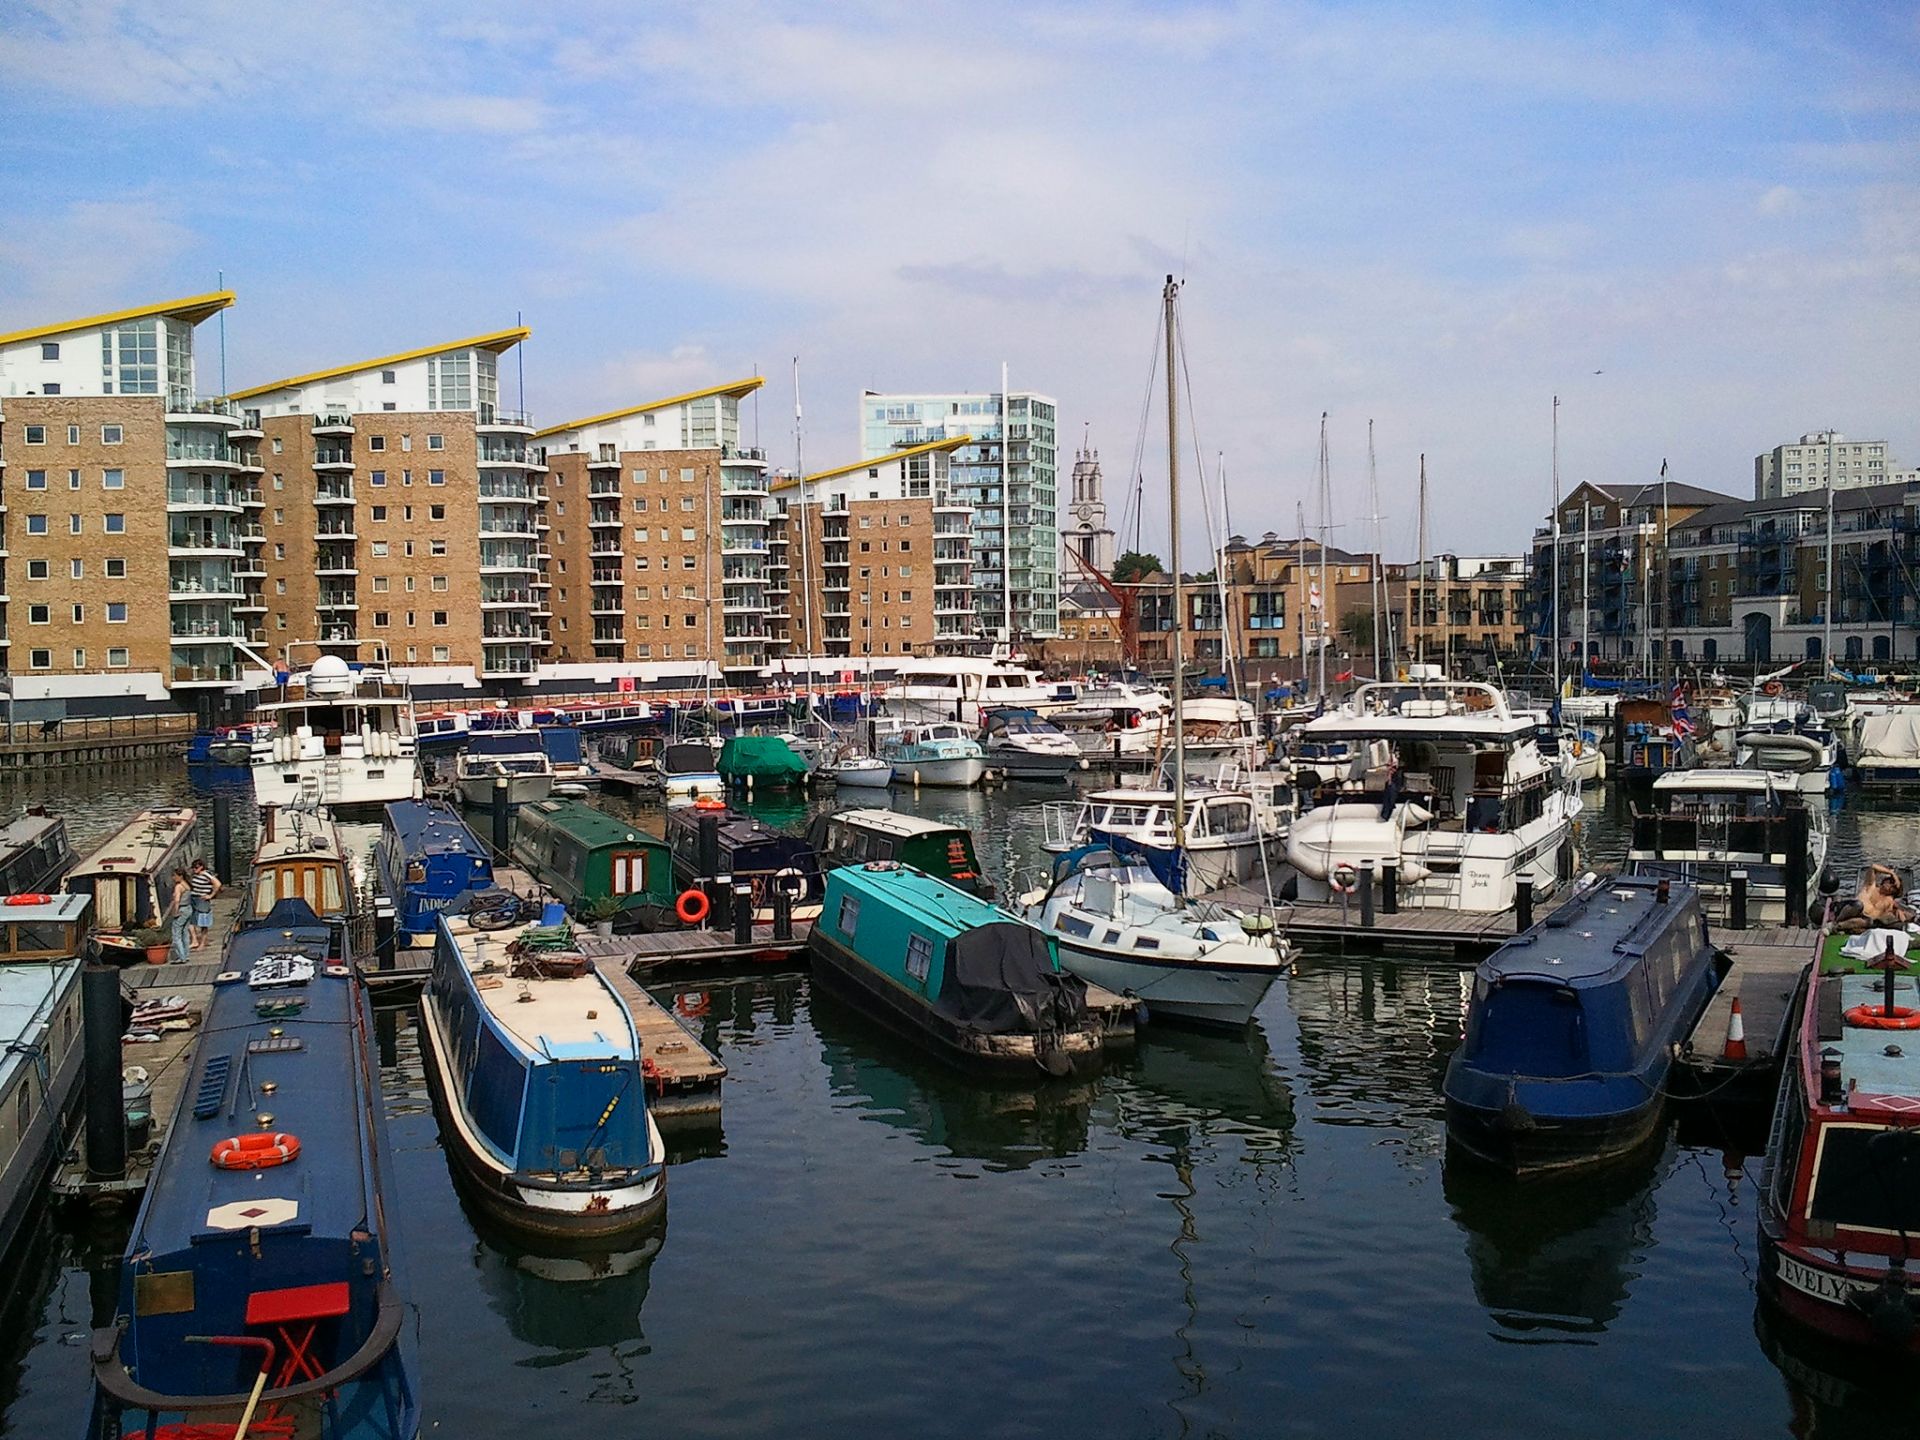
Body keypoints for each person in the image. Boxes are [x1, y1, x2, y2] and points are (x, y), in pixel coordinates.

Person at [187, 857, 221, 951]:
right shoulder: (195, 875)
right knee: (190, 920)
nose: (194, 869)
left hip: (202, 900)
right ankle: (194, 940)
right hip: (194, 899)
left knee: (203, 923)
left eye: (196, 867)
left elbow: (217, 884)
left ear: (201, 867)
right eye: (193, 867)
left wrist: (210, 895)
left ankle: (202, 943)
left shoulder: (206, 874)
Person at [168, 869, 192, 965]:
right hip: (188, 909)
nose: (173, 878)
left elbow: (177, 900)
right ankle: (186, 955)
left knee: (176, 934)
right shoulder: (187, 885)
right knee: (185, 933)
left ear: (180, 876)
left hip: (181, 909)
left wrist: (175, 911)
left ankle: (181, 957)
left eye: (174, 875)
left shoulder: (178, 886)